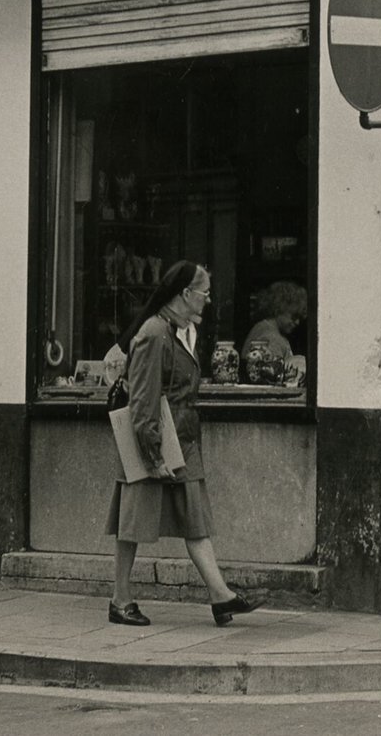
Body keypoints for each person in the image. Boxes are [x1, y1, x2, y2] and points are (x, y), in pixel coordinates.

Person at [107, 260, 264, 628]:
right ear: (184, 294)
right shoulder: (154, 333)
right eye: (204, 292)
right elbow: (144, 400)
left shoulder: (180, 331)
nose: (208, 300)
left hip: (182, 441)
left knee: (196, 521)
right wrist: (151, 452)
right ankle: (120, 599)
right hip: (156, 440)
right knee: (133, 523)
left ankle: (220, 596)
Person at [242, 280, 307, 362]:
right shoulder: (271, 338)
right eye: (294, 316)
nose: (297, 322)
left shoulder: (261, 327)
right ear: (279, 308)